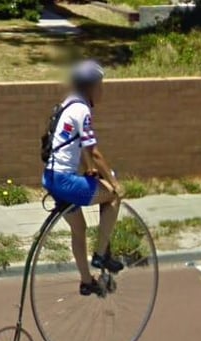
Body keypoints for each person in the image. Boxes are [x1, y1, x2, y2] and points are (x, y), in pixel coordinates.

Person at [42, 59, 123, 296]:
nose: (102, 90)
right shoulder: (82, 110)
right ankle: (101, 255)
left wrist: (89, 168)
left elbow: (76, 148)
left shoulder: (66, 105)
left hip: (51, 178)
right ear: (90, 87)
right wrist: (115, 184)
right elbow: (94, 152)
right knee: (113, 196)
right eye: (100, 85)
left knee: (79, 228)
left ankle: (87, 281)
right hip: (66, 182)